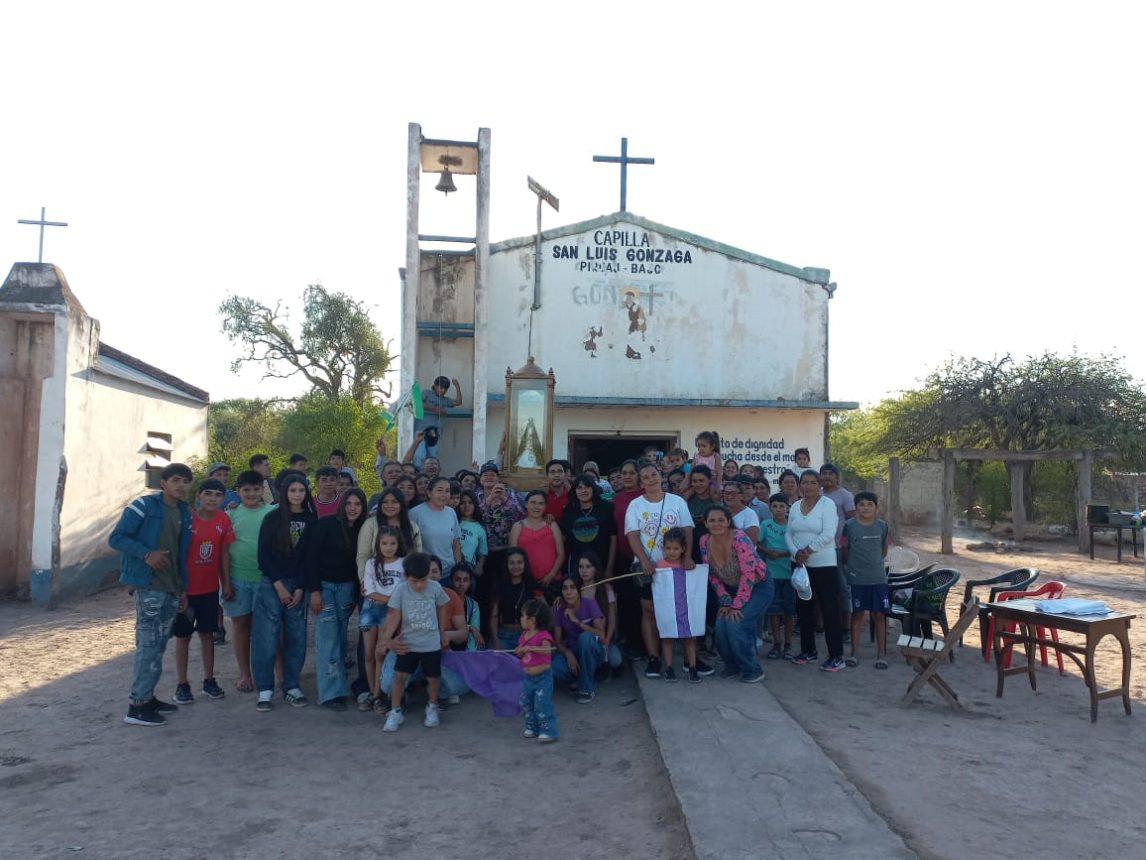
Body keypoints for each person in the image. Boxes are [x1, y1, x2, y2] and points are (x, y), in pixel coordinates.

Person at [110, 463, 194, 726]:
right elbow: (117, 538)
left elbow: (182, 553)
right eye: (176, 480)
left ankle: (148, 697)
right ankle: (136, 706)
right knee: (147, 645)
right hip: (149, 587)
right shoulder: (143, 506)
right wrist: (147, 554)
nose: (181, 485)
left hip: (171, 588)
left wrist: (182, 588)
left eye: (186, 481)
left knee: (158, 645)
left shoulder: (183, 511)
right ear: (163, 483)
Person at [252, 474, 316, 712]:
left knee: (297, 636)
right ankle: (265, 689)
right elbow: (264, 556)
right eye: (292, 490)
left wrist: (300, 587)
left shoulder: (311, 519)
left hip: (298, 586)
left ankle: (291, 685)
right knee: (266, 638)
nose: (297, 494)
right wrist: (278, 585)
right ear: (284, 492)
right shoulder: (272, 518)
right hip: (272, 584)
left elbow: (309, 558)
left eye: (301, 490)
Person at [626, 461, 694, 679]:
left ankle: (688, 658)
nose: (651, 479)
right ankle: (654, 657)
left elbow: (687, 531)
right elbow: (633, 535)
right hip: (650, 569)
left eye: (653, 475)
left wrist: (688, 557)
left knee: (683, 610)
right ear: (640, 482)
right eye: (645, 477)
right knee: (649, 612)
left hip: (675, 568)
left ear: (660, 476)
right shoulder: (635, 505)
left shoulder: (677, 501)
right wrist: (645, 561)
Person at [172, 479, 233, 705]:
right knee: (183, 637)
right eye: (208, 493)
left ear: (223, 498)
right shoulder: (186, 521)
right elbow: (177, 557)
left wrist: (226, 583)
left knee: (208, 634)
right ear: (198, 495)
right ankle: (182, 684)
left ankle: (209, 680)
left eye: (218, 495)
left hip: (210, 590)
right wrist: (180, 589)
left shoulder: (223, 520)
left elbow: (224, 554)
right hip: (187, 591)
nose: (212, 498)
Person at [304, 489, 367, 710]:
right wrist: (314, 591)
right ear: (342, 505)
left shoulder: (362, 529)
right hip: (324, 588)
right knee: (328, 639)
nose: (352, 508)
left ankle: (338, 686)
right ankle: (331, 693)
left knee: (340, 639)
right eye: (349, 503)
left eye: (357, 504)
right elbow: (310, 558)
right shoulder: (326, 525)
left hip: (347, 590)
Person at [380, 552, 452, 732]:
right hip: (407, 644)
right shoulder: (401, 590)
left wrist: (442, 631)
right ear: (405, 576)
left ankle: (432, 707)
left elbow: (443, 606)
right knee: (399, 677)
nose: (419, 585)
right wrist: (386, 639)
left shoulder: (435, 587)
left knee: (433, 679)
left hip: (431, 644)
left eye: (423, 580)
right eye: (414, 581)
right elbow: (393, 614)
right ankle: (396, 711)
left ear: (429, 574)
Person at [700, 505, 772, 683]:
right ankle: (732, 665)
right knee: (720, 627)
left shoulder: (739, 538)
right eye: (712, 520)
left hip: (758, 586)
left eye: (721, 520)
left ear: (729, 522)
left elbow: (748, 575)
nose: (717, 524)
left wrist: (736, 605)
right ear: (705, 523)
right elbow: (711, 575)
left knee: (736, 624)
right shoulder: (704, 541)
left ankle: (752, 669)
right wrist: (725, 601)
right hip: (729, 589)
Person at [786, 470, 843, 672]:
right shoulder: (794, 506)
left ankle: (836, 655)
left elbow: (829, 533)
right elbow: (789, 533)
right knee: (803, 610)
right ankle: (808, 651)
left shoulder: (827, 505)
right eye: (805, 482)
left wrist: (808, 550)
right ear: (800, 485)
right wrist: (796, 553)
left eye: (812, 482)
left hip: (824, 564)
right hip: (800, 565)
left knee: (829, 609)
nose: (808, 486)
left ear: (819, 485)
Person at [224, 469, 274, 694]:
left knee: (273, 629)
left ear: (262, 490)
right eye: (246, 490)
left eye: (256, 489)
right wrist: (225, 582)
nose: (252, 494)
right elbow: (223, 550)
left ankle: (279, 673)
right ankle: (245, 674)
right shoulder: (230, 515)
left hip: (267, 580)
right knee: (241, 625)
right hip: (239, 579)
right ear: (238, 492)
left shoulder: (273, 513)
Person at [842, 491, 891, 669]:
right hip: (857, 579)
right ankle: (854, 654)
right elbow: (845, 550)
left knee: (879, 616)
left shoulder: (882, 526)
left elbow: (884, 549)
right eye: (861, 504)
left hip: (878, 578)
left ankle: (881, 655)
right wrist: (854, 568)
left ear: (876, 507)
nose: (865, 507)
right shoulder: (849, 526)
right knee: (857, 615)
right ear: (856, 507)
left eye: (870, 504)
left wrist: (874, 564)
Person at [362, 526, 407, 712]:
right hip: (371, 608)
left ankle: (379, 695)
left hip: (390, 613)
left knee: (381, 653)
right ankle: (372, 692)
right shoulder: (371, 564)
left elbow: (405, 589)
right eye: (384, 543)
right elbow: (369, 591)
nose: (388, 547)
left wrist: (392, 602)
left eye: (392, 543)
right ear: (378, 544)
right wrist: (391, 599)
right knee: (369, 653)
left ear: (398, 544)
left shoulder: (403, 563)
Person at [654, 529, 700, 683]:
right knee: (667, 637)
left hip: (686, 607)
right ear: (663, 548)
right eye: (668, 548)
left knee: (689, 637)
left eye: (675, 548)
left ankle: (693, 668)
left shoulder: (688, 565)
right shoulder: (659, 566)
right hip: (668, 608)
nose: (672, 552)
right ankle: (669, 667)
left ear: (683, 549)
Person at [551, 577, 607, 703]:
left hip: (593, 650)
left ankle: (587, 688)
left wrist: (577, 622)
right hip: (573, 649)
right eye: (565, 588)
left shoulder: (589, 603)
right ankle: (580, 678)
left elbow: (601, 634)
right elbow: (558, 641)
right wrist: (568, 654)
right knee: (555, 668)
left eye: (572, 588)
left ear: (579, 590)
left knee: (585, 637)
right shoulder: (558, 609)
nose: (569, 592)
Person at [510, 489, 565, 600]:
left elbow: (561, 553)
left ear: (545, 506)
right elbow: (512, 556)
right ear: (526, 504)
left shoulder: (552, 525)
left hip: (552, 580)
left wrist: (550, 575)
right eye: (533, 503)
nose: (536, 507)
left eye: (541, 503)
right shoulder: (518, 526)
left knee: (553, 615)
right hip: (526, 581)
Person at [516, 598, 558, 742]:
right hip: (528, 678)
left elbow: (547, 651)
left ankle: (549, 731)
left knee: (542, 704)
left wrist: (531, 647)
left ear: (532, 620)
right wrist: (520, 651)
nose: (521, 619)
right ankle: (532, 727)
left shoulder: (543, 635)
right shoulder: (523, 636)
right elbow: (522, 655)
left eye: (523, 616)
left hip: (542, 678)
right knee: (526, 703)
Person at [560, 474, 617, 577]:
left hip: (601, 562)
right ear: (575, 491)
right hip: (576, 565)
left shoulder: (606, 508)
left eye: (587, 487)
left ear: (593, 488)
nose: (583, 491)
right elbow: (562, 539)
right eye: (579, 487)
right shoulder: (568, 511)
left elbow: (613, 538)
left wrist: (610, 568)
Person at [760, 494, 795, 661]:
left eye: (782, 506)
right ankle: (776, 643)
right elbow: (757, 543)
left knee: (789, 612)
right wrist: (768, 552)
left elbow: (799, 547)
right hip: (772, 575)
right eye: (775, 506)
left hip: (790, 574)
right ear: (770, 508)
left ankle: (788, 644)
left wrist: (782, 553)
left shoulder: (793, 526)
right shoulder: (765, 525)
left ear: (787, 508)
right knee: (774, 611)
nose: (778, 509)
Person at [575, 551, 623, 673]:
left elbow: (612, 618)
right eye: (581, 567)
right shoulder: (575, 589)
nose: (584, 570)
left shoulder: (606, 588)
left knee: (616, 660)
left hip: (603, 637)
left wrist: (607, 639)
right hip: (583, 636)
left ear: (595, 568)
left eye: (588, 567)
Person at [409, 476, 463, 582]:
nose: (444, 495)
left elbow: (456, 543)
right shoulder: (416, 513)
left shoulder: (451, 512)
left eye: (447, 491)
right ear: (429, 493)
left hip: (449, 573)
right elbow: (410, 546)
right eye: (439, 490)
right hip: (425, 574)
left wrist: (458, 567)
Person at [412, 375, 463, 468]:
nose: (442, 391)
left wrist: (457, 386)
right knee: (420, 456)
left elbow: (458, 402)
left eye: (445, 389)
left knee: (432, 459)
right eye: (441, 388)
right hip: (421, 430)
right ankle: (418, 477)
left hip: (434, 433)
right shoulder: (426, 393)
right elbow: (418, 403)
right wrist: (435, 408)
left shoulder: (445, 400)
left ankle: (430, 480)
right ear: (435, 386)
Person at [490, 547, 531, 651]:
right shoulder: (499, 587)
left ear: (525, 564)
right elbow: (494, 618)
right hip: (504, 636)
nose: (516, 566)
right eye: (512, 563)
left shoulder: (531, 586)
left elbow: (543, 615)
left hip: (526, 636)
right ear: (506, 565)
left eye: (519, 562)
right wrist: (495, 641)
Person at [456, 490, 489, 579]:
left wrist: (480, 565)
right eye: (463, 503)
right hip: (450, 566)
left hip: (468, 569)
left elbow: (483, 551)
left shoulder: (479, 528)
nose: (467, 506)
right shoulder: (453, 521)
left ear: (475, 505)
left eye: (470, 502)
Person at [722, 478, 760, 545]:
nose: (729, 496)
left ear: (742, 496)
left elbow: (751, 543)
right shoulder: (720, 512)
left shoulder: (750, 514)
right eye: (726, 493)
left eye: (733, 493)